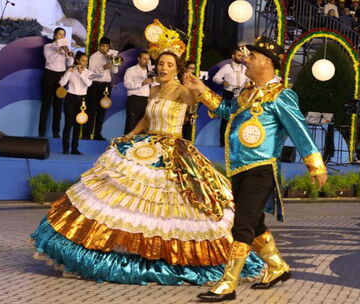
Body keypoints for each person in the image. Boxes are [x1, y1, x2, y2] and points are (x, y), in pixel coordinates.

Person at [31, 24, 257, 285]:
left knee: (169, 207)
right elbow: (147, 120)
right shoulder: (154, 89)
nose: (163, 68)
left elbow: (200, 101)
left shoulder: (183, 92)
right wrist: (130, 135)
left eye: (169, 65)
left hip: (174, 149)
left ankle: (165, 255)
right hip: (147, 144)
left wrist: (197, 87)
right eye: (161, 63)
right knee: (121, 198)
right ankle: (125, 248)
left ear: (178, 69)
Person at [185, 36, 327, 302]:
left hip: (261, 168)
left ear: (265, 61)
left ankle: (228, 283)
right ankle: (276, 266)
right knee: (255, 222)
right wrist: (201, 90)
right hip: (239, 167)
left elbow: (299, 129)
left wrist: (315, 163)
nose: (245, 61)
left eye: (250, 57)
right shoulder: (247, 92)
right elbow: (227, 110)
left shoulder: (283, 95)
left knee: (242, 225)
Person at [38, 27, 72, 138]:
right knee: (46, 104)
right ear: (55, 35)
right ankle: (41, 131)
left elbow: (70, 63)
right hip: (49, 75)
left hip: (60, 77)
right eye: (59, 34)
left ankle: (56, 132)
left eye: (63, 35)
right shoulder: (48, 47)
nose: (61, 37)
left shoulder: (66, 48)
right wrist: (58, 51)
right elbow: (49, 60)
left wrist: (67, 53)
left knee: (58, 106)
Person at [212, 47, 248, 146]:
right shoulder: (227, 67)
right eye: (239, 55)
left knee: (239, 119)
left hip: (240, 95)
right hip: (228, 94)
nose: (241, 58)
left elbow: (248, 81)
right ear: (233, 56)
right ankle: (223, 143)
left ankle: (235, 143)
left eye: (242, 56)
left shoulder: (245, 69)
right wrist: (223, 81)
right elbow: (215, 77)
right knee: (225, 119)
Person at [58, 51, 92, 155]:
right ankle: (65, 148)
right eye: (82, 60)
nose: (84, 63)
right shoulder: (71, 69)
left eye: (86, 61)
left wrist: (81, 73)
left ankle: (75, 148)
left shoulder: (88, 72)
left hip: (82, 99)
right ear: (77, 60)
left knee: (78, 124)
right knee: (69, 123)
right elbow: (62, 83)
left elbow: (89, 84)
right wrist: (69, 71)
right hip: (70, 97)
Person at [85, 37, 116, 141]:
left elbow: (115, 71)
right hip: (95, 85)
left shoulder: (111, 56)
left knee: (102, 110)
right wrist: (103, 68)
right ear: (99, 46)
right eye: (103, 46)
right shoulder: (94, 56)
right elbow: (90, 74)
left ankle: (98, 134)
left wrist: (112, 61)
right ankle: (87, 134)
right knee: (92, 110)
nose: (105, 48)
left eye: (107, 46)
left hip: (106, 86)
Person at [122, 50, 155, 135]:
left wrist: (153, 80)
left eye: (148, 59)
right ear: (138, 59)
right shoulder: (131, 70)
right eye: (144, 59)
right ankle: (127, 145)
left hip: (147, 100)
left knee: (144, 125)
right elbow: (127, 84)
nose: (146, 61)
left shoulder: (151, 72)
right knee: (131, 124)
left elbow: (156, 85)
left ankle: (141, 146)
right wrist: (141, 83)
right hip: (134, 100)